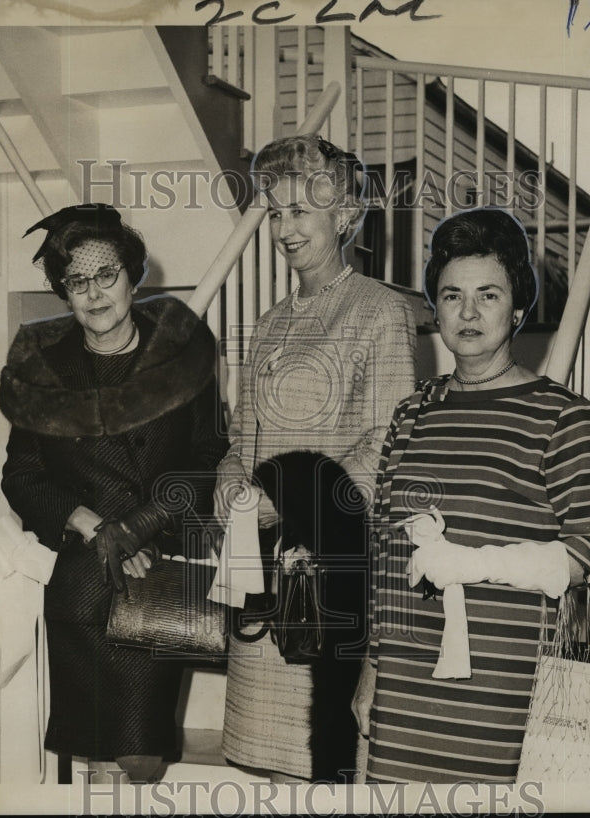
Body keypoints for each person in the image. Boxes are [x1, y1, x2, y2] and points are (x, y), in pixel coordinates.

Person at [352, 207, 590, 783]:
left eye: (489, 295)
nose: (468, 312)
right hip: (407, 678)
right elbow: (386, 552)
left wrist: (474, 564)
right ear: (436, 310)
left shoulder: (563, 418)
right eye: (452, 295)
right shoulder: (412, 412)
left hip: (513, 682)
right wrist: (371, 668)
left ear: (518, 309)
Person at [0, 204, 226, 782]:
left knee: (141, 758)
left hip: (160, 566)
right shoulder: (43, 371)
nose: (94, 293)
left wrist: (142, 525)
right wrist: (95, 527)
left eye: (107, 274)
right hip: (85, 575)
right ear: (62, 290)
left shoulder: (181, 355)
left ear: (132, 276)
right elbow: (21, 475)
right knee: (98, 758)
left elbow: (207, 460)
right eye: (77, 280)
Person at [215, 135, 418, 782]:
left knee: (323, 769)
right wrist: (228, 477)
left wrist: (291, 499)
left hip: (329, 571)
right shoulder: (271, 322)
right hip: (262, 578)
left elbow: (388, 438)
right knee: (269, 773)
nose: (284, 228)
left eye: (302, 210)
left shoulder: (381, 310)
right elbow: (242, 429)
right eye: (275, 212)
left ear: (346, 216)